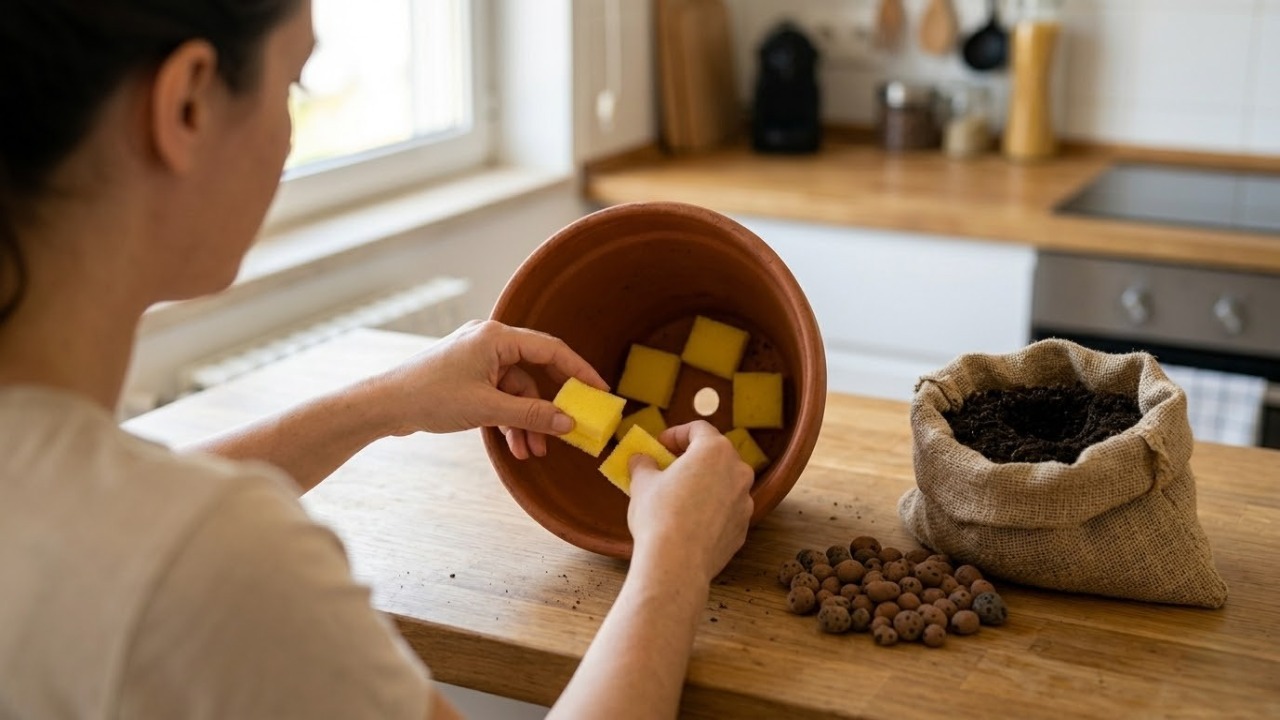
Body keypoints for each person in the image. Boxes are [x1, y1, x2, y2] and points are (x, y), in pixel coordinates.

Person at [0, 1, 755, 718]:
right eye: (293, 84)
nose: (290, 138)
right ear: (188, 104)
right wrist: (675, 562)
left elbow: (117, 515)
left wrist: (384, 403)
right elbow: (164, 548)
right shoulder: (215, 566)